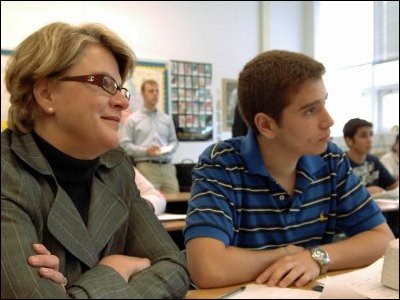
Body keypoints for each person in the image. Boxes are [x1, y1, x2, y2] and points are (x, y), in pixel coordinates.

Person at [1, 22, 189, 298]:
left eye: (120, 88)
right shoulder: (8, 173)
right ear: (46, 94)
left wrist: (75, 289)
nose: (123, 103)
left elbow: (174, 266)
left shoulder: (115, 167)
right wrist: (114, 271)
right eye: (104, 83)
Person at [183, 50, 394, 289]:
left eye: (324, 103)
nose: (329, 120)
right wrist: (288, 254)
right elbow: (208, 268)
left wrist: (315, 257)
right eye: (310, 111)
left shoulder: (331, 159)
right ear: (266, 125)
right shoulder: (221, 163)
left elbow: (381, 239)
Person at [120, 79, 180, 192]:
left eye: (157, 91)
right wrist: (146, 151)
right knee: (148, 204)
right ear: (143, 94)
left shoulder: (166, 119)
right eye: (151, 91)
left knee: (176, 204)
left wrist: (167, 149)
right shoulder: (133, 119)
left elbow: (174, 142)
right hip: (146, 167)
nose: (155, 94)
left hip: (168, 167)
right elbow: (125, 145)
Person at [343, 118, 398, 195]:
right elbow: (338, 197)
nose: (370, 140)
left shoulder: (373, 160)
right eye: (363, 136)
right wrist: (364, 191)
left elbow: (393, 185)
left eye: (371, 135)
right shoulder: (341, 164)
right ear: (349, 141)